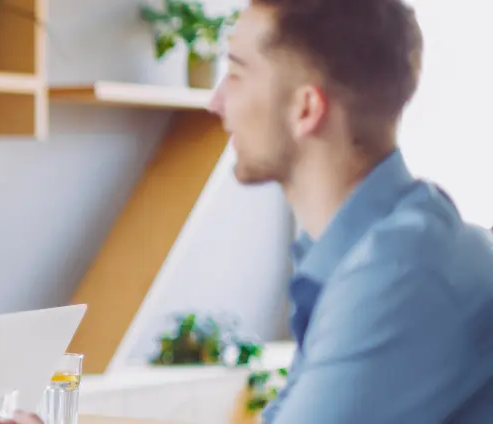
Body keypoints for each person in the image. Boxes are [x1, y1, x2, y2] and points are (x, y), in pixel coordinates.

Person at [208, 0, 493, 422]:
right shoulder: (364, 253)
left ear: (306, 109)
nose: (215, 102)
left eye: (236, 73)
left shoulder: (400, 271)